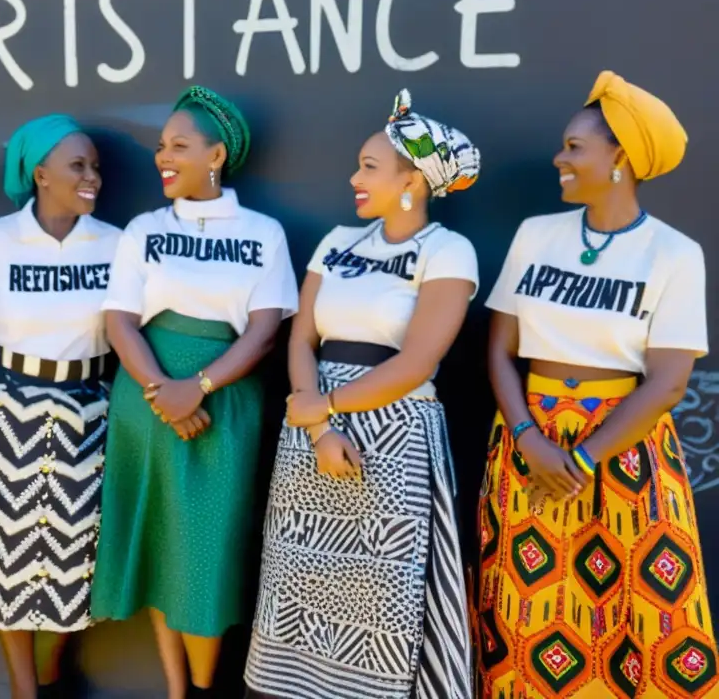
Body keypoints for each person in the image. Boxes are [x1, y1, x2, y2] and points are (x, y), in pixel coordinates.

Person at [475, 71, 719, 697]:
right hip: (528, 449)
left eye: (575, 148)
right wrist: (529, 437)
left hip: (623, 453)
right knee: (523, 617)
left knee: (640, 618)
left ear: (621, 158)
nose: (560, 158)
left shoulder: (674, 253)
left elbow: (666, 383)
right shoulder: (536, 235)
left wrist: (581, 457)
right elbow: (500, 350)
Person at [243, 89, 479, 699]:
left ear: (413, 181)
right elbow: (302, 339)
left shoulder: (448, 251)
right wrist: (318, 423)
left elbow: (421, 359)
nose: (354, 178)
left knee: (379, 595)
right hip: (313, 428)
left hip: (394, 435)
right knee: (300, 578)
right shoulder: (338, 240)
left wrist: (328, 409)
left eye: (370, 168)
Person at [89, 85, 299, 698]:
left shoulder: (262, 233)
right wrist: (163, 392)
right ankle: (178, 691)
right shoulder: (143, 229)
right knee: (160, 548)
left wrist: (198, 388)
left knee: (203, 556)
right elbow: (120, 321)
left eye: (179, 145)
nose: (163, 156)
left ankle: (206, 689)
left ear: (216, 156)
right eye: (160, 146)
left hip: (224, 407)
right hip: (147, 404)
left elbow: (263, 334)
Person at [0, 114, 120, 699]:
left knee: (78, 557)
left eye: (96, 167)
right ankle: (24, 689)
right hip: (4, 411)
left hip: (89, 412)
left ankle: (53, 676)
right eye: (78, 166)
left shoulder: (115, 243)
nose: (92, 178)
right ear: (39, 173)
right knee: (10, 555)